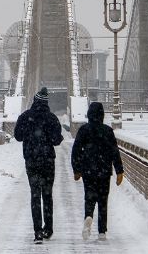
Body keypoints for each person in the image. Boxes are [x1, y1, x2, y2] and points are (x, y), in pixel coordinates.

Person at [14, 87, 63, 244]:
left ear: (34, 101)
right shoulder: (52, 118)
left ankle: (37, 232)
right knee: (47, 195)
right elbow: (56, 140)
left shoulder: (25, 117)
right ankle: (48, 229)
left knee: (35, 195)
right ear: (46, 102)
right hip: (48, 161)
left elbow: (18, 136)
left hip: (32, 161)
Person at [71, 101, 124, 241]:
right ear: (102, 115)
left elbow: (76, 151)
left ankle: (88, 216)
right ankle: (101, 231)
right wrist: (119, 170)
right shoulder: (107, 131)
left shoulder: (84, 130)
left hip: (88, 170)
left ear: (89, 114)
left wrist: (77, 169)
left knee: (89, 197)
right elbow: (114, 152)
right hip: (104, 171)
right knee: (102, 200)